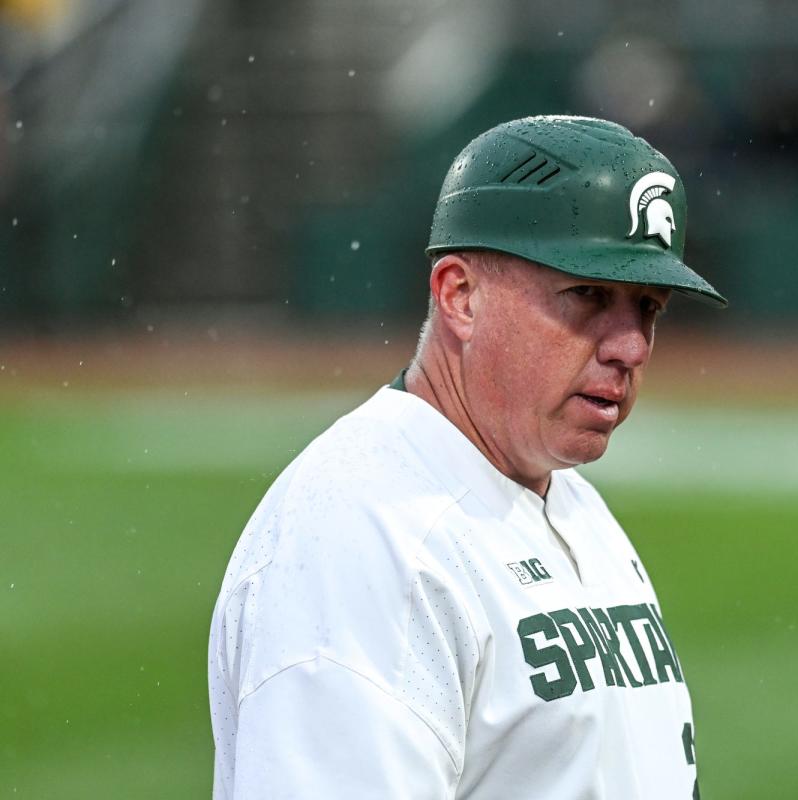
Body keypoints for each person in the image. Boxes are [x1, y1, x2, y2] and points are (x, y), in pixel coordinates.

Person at [208, 115, 726, 799]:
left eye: (648, 308)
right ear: (460, 296)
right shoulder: (362, 540)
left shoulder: (570, 500)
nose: (628, 346)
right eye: (589, 296)